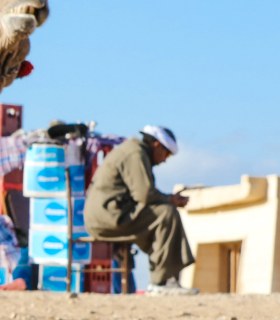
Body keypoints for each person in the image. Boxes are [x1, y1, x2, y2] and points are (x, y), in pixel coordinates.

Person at [83, 125, 197, 293]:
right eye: (167, 154)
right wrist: (171, 199)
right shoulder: (135, 153)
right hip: (109, 216)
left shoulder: (133, 150)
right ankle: (162, 282)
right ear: (157, 145)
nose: (165, 159)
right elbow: (144, 194)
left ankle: (165, 278)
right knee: (167, 214)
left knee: (161, 215)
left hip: (107, 215)